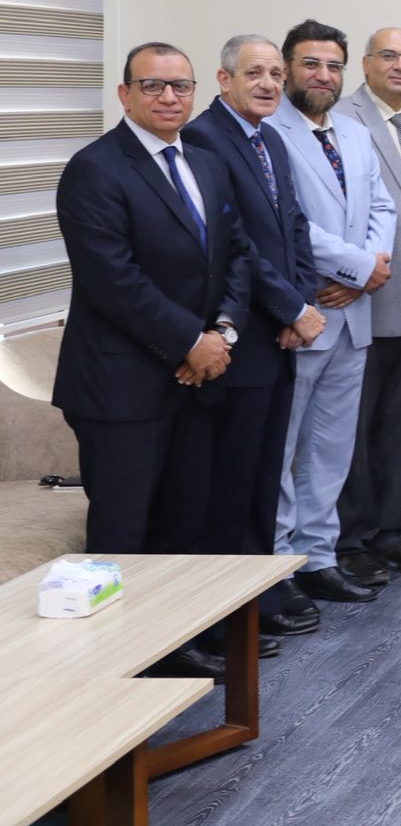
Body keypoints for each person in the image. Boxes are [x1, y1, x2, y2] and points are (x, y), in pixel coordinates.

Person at [55, 42, 249, 680]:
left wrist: (220, 333)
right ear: (125, 94)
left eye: (181, 86)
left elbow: (236, 256)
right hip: (121, 387)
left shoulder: (207, 163)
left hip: (197, 377)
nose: (169, 97)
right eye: (153, 86)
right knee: (123, 531)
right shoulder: (95, 168)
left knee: (183, 522)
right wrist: (190, 342)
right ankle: (110, 668)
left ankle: (170, 647)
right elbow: (112, 280)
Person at [183, 35, 328, 642]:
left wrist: (303, 305)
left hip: (278, 338)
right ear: (224, 80)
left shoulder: (271, 139)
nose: (268, 84)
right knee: (231, 479)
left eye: (275, 74)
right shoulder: (202, 139)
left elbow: (295, 228)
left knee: (264, 476)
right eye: (254, 74)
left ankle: (256, 595)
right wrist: (289, 306)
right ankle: (221, 614)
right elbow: (235, 242)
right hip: (235, 338)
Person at [268, 20, 395, 606]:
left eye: (333, 66)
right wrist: (357, 267)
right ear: (287, 69)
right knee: (283, 448)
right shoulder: (267, 131)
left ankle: (318, 557)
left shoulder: (354, 132)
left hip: (352, 314)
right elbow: (287, 220)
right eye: (311, 64)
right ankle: (277, 567)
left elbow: (383, 207)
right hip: (303, 311)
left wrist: (370, 268)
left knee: (331, 448)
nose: (323, 75)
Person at [335, 27, 401, 578]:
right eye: (389, 56)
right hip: (362, 296)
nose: (400, 65)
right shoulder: (341, 118)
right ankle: (350, 540)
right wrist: (349, 273)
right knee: (352, 429)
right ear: (365, 62)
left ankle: (389, 532)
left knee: (399, 428)